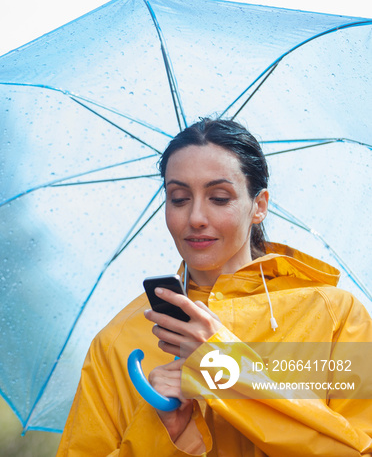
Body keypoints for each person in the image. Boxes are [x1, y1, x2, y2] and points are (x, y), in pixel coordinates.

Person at [56, 118, 372, 456]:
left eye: (219, 198)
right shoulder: (118, 341)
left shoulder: (334, 315)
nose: (195, 217)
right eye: (178, 198)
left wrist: (222, 366)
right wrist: (165, 431)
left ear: (259, 206)